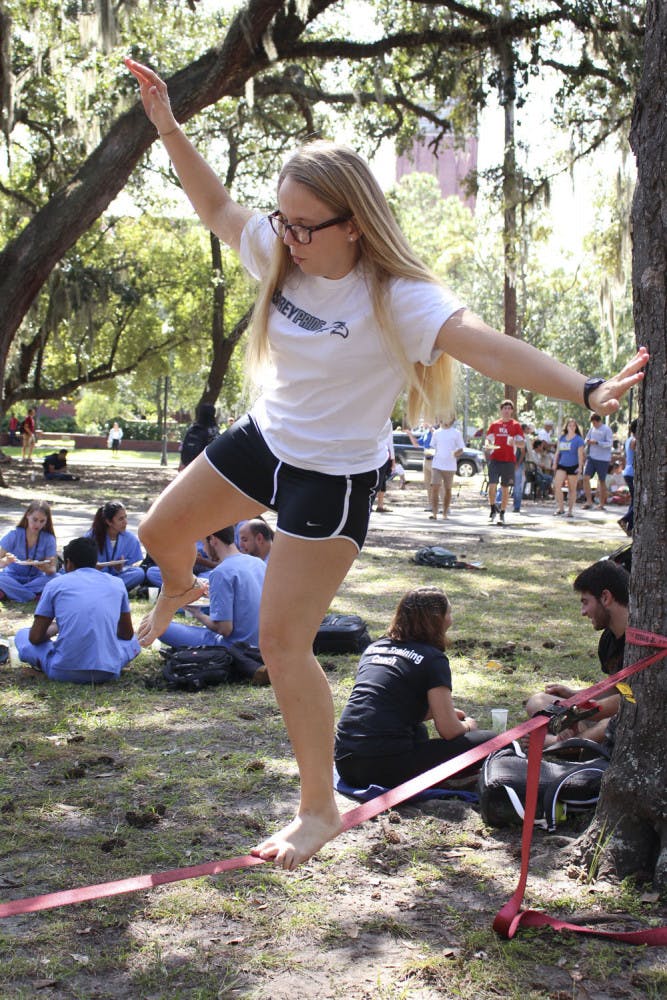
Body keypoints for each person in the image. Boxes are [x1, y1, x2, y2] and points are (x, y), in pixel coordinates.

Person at [125, 55, 647, 870]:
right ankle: (180, 585)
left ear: (352, 225)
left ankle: (316, 806)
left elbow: (484, 349)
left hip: (330, 479)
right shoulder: (279, 247)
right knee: (158, 532)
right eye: (283, 222)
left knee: (282, 642)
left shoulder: (396, 297)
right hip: (264, 439)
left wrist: (582, 387)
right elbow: (218, 206)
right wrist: (166, 124)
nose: (286, 240)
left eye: (306, 227)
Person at [335, 587, 495, 789]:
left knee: (418, 730)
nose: (451, 619)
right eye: (449, 613)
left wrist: (438, 713)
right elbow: (449, 731)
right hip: (384, 767)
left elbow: (385, 704)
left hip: (345, 763)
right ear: (438, 620)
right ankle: (447, 778)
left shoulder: (374, 648)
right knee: (493, 740)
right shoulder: (433, 658)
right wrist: (468, 725)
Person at [525, 560, 628, 746]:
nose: (583, 612)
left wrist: (576, 711)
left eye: (585, 602)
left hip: (631, 716)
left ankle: (561, 744)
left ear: (605, 597)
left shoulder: (645, 638)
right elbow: (618, 688)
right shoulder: (608, 640)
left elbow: (632, 698)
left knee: (609, 724)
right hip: (605, 713)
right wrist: (574, 695)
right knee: (537, 702)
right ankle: (580, 742)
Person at [13, 537, 141, 683]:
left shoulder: (55, 584)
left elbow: (35, 637)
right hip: (108, 671)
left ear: (68, 564)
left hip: (62, 671)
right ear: (96, 563)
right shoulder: (117, 583)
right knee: (134, 641)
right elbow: (126, 634)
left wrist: (56, 627)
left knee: (22, 635)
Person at [158, 527, 266, 649]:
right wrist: (213, 594)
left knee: (162, 627)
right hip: (263, 643)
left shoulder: (221, 572)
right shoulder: (258, 562)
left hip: (235, 647)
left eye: (204, 543)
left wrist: (196, 613)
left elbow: (224, 629)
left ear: (213, 540)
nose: (204, 549)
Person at [0, 500, 58, 602]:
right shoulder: (14, 535)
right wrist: (5, 562)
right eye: (34, 520)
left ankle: (13, 593)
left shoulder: (49, 539)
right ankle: (32, 596)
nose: (38, 524)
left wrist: (45, 568)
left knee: (56, 578)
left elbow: (52, 569)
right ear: (27, 515)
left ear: (47, 521)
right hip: (12, 577)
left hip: (35, 579)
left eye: (42, 521)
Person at [87, 501, 145, 593]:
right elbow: (81, 567)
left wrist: (120, 569)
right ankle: (112, 589)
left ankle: (105, 589)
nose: (125, 522)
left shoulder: (130, 539)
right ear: (109, 522)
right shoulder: (90, 537)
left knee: (139, 573)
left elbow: (132, 566)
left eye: (126, 517)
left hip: (117, 578)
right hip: (97, 577)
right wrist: (95, 567)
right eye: (121, 519)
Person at [485, 400, 524, 525]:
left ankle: (502, 512)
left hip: (508, 460)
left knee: (505, 487)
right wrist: (488, 446)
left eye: (509, 408)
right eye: (504, 408)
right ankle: (492, 509)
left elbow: (522, 444)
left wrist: (515, 443)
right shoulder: (494, 424)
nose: (507, 410)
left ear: (512, 411)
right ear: (501, 410)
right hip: (495, 459)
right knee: (492, 485)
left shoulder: (516, 425)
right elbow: (488, 440)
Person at [429, 417, 464, 520]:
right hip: (437, 465)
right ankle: (434, 513)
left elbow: (461, 449)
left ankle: (445, 513)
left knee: (448, 489)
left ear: (452, 419)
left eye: (448, 417)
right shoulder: (436, 433)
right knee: (435, 487)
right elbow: (432, 447)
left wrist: (456, 453)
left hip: (450, 466)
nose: (446, 419)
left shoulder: (456, 433)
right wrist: (429, 452)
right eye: (444, 416)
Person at [552, 418, 585, 518]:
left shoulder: (579, 439)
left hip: (573, 466)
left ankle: (570, 511)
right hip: (562, 465)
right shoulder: (562, 438)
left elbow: (580, 455)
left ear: (576, 427)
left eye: (573, 425)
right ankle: (561, 508)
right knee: (557, 485)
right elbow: (558, 452)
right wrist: (554, 463)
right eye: (569, 425)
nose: (571, 427)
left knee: (572, 489)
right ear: (566, 427)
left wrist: (580, 467)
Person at [582, 413, 613, 510]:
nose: (594, 425)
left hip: (603, 459)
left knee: (602, 480)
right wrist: (587, 441)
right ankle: (589, 501)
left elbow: (609, 443)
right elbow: (586, 438)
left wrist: (597, 443)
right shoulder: (592, 429)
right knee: (586, 477)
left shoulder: (607, 429)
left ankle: (602, 504)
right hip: (591, 457)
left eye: (594, 423)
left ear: (598, 421)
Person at [179, 402, 219, 470]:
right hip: (206, 467)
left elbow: (185, 447)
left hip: (189, 467)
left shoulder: (193, 429)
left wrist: (182, 464)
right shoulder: (214, 432)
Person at [618, 418, 637, 536]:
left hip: (628, 472)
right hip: (633, 473)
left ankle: (630, 527)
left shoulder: (629, 440)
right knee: (637, 501)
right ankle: (625, 519)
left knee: (634, 500)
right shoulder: (635, 441)